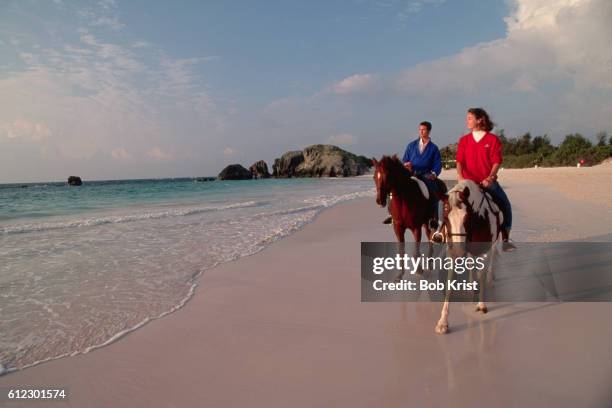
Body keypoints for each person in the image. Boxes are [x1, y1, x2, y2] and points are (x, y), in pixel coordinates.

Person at [456, 108, 516, 251]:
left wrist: (490, 177)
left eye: (470, 118)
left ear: (480, 120)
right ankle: (442, 232)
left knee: (505, 205)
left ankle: (506, 239)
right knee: (447, 203)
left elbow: (496, 161)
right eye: (467, 118)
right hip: (467, 183)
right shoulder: (464, 140)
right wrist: (460, 177)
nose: (467, 121)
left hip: (487, 182)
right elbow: (459, 162)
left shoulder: (492, 139)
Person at [383, 121, 443, 230]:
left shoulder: (434, 148)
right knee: (392, 188)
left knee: (434, 191)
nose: (421, 131)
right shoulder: (411, 145)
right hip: (411, 174)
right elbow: (405, 160)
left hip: (426, 175)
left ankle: (432, 219)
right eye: (420, 129)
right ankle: (391, 214)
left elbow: (438, 164)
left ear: (428, 131)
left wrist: (434, 174)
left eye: (423, 129)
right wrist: (406, 165)